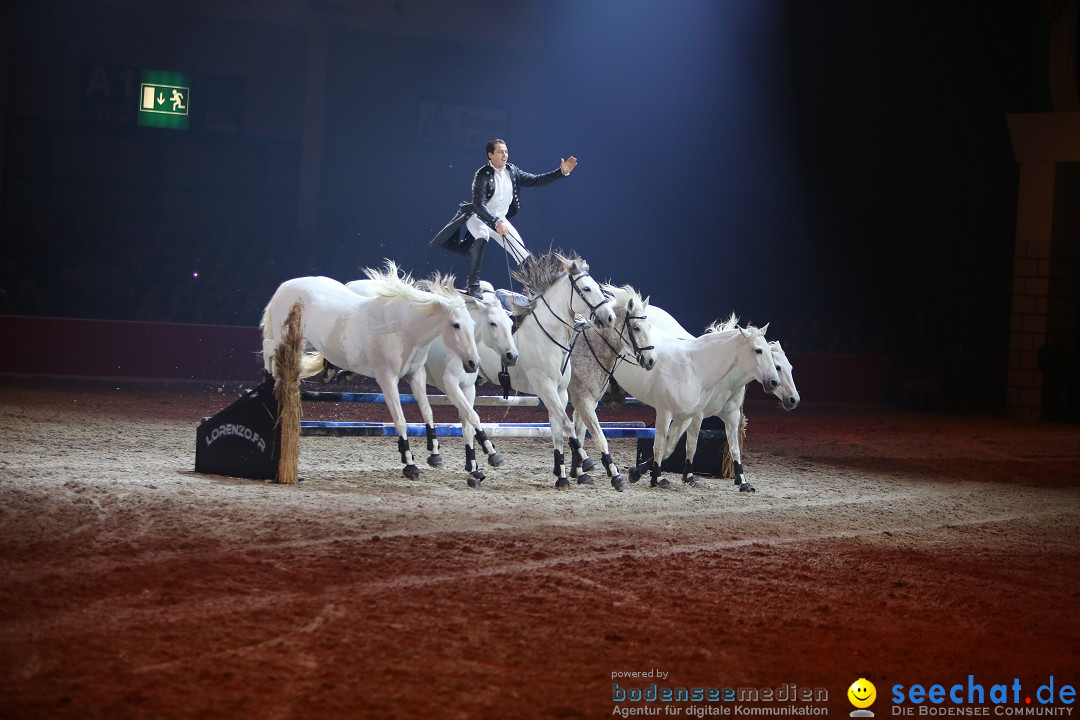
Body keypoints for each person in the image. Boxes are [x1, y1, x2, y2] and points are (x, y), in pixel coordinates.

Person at [430, 138, 577, 298]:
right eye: (500, 152)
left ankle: (536, 289)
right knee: (482, 235)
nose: (504, 155)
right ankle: (473, 285)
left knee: (522, 253)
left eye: (506, 151)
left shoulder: (512, 171)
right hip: (480, 218)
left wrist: (561, 172)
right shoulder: (482, 175)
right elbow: (479, 204)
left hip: (500, 220)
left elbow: (536, 180)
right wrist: (495, 222)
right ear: (490, 155)